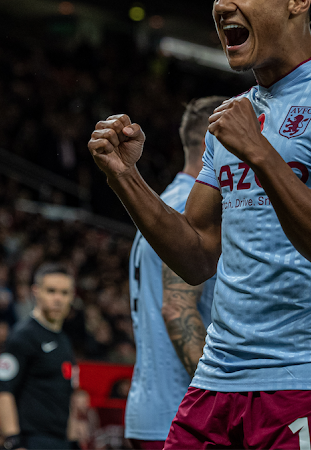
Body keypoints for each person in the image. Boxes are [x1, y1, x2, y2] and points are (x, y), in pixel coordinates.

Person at [89, 0, 311, 449]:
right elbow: (194, 256)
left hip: (310, 380)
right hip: (217, 380)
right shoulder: (234, 119)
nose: (222, 4)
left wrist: (259, 151)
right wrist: (126, 178)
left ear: (297, 0)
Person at [125, 96, 225, 449]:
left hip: (152, 408)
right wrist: (221, 399)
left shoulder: (163, 205)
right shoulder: (190, 209)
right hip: (181, 415)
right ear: (213, 142)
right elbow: (177, 309)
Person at [0, 264, 78, 450]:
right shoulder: (22, 337)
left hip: (60, 442)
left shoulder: (65, 342)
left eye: (64, 293)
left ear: (72, 296)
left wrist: (73, 442)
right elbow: (2, 391)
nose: (58, 299)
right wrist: (14, 442)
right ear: (36, 292)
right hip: (31, 440)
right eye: (51, 291)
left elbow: (68, 397)